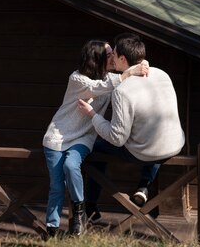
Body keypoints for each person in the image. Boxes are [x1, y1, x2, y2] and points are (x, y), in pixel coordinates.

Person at [42, 39, 149, 237]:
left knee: (71, 166)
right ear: (96, 59)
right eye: (108, 54)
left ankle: (79, 212)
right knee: (56, 187)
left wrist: (143, 65)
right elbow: (97, 87)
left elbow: (129, 73)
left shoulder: (112, 78)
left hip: (84, 137)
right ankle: (52, 229)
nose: (113, 57)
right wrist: (128, 73)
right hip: (57, 136)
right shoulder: (77, 78)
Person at [78, 33, 185, 221]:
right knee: (152, 134)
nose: (111, 59)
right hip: (175, 144)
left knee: (96, 151)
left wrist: (93, 116)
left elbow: (117, 138)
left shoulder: (122, 91)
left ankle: (90, 206)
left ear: (123, 59)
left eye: (114, 55)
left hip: (146, 153)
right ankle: (144, 185)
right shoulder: (162, 74)